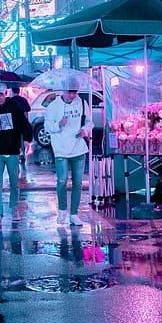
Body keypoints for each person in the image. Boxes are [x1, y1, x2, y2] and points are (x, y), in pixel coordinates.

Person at [0, 83, 32, 228]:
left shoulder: (13, 107)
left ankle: (14, 209)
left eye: (0, 94)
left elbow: (24, 124)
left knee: (14, 183)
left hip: (12, 152)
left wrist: (28, 139)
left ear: (5, 93)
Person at [44, 78, 91, 227]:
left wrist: (84, 130)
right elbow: (47, 126)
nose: (73, 95)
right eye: (70, 92)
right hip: (61, 149)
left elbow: (89, 122)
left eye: (75, 92)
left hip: (78, 148)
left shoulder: (82, 103)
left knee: (78, 182)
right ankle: (62, 210)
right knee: (62, 180)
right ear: (64, 90)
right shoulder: (53, 106)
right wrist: (59, 124)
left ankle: (74, 214)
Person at [8, 86, 32, 170]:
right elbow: (27, 111)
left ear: (12, 91)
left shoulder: (10, 101)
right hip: (22, 122)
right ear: (19, 91)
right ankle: (22, 152)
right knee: (22, 138)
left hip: (13, 123)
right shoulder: (23, 100)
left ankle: (16, 153)